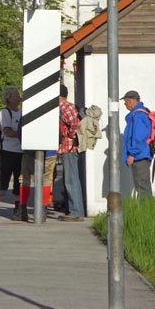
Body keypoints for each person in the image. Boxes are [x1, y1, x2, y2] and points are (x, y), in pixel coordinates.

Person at [0, 86, 23, 220]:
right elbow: (6, 131)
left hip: (20, 151)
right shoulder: (5, 113)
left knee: (20, 180)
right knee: (4, 179)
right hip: (8, 150)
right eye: (16, 95)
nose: (19, 97)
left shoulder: (22, 112)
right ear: (9, 98)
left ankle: (18, 208)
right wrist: (22, 136)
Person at [58, 84, 85, 222]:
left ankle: (76, 211)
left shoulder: (65, 107)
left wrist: (69, 134)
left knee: (71, 180)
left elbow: (75, 124)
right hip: (67, 148)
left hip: (69, 147)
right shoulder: (67, 106)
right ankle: (72, 209)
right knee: (69, 179)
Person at [121, 90, 153, 197]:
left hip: (140, 156)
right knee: (141, 186)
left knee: (142, 186)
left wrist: (132, 154)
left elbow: (138, 138)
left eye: (125, 102)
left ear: (130, 101)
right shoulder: (138, 114)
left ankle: (147, 211)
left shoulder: (138, 116)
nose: (125, 104)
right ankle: (145, 210)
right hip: (141, 155)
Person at [13, 149, 57, 222]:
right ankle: (42, 211)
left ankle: (22, 211)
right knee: (46, 180)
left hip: (30, 151)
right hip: (50, 152)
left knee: (25, 179)